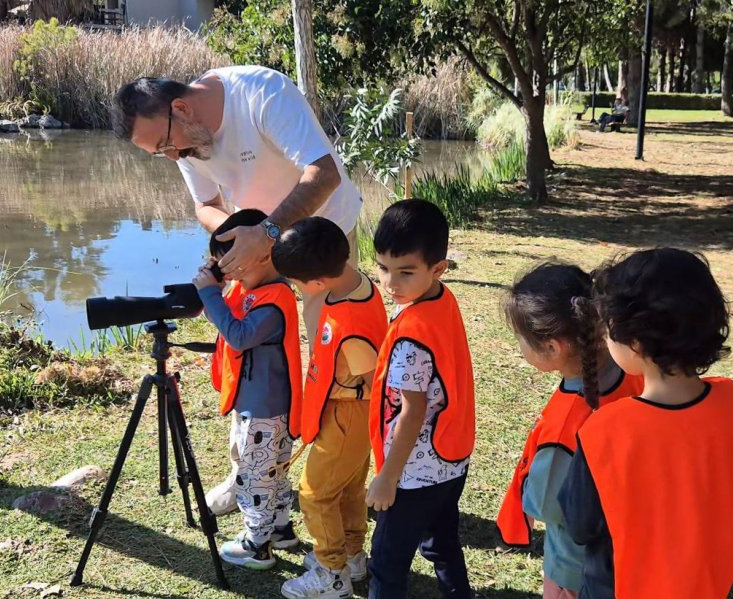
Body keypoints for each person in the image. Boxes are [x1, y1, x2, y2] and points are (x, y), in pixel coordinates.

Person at [111, 67, 362, 516]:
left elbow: (323, 174)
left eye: (168, 146)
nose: (173, 158)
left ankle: (343, 468)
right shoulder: (187, 141)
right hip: (260, 251)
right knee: (252, 364)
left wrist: (264, 230)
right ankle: (251, 471)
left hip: (324, 238)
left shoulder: (261, 93)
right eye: (160, 154)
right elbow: (205, 205)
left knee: (340, 362)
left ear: (182, 108)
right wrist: (234, 236)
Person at [558, 248, 733, 599]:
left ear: (634, 342)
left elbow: (580, 525)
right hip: (705, 584)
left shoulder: (606, 429)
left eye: (607, 329)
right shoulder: (730, 400)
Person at [495, 262, 644, 599]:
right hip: (629, 546)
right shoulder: (633, 371)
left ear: (552, 347)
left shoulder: (566, 424)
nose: (518, 344)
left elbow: (548, 506)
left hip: (574, 568)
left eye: (520, 337)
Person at [271, 217, 388, 598]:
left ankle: (331, 573)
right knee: (348, 488)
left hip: (347, 413)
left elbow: (373, 381)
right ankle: (352, 555)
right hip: (343, 409)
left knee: (315, 493)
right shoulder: (357, 284)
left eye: (297, 283)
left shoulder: (349, 323)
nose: (296, 288)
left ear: (317, 284)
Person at [365, 200, 475, 599]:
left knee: (387, 563)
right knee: (442, 543)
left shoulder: (411, 334)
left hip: (412, 473)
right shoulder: (441, 299)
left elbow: (411, 413)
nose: (391, 283)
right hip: (453, 456)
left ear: (438, 268)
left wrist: (386, 479)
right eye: (382, 268)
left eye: (405, 272)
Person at [192, 209, 303, 569]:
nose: (232, 274)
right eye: (227, 267)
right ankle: (281, 529)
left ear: (264, 253)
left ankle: (257, 544)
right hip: (259, 405)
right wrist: (216, 287)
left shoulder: (274, 301)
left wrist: (210, 294)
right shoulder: (250, 289)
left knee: (256, 477)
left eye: (235, 265)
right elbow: (227, 317)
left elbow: (237, 334)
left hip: (266, 412)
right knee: (275, 473)